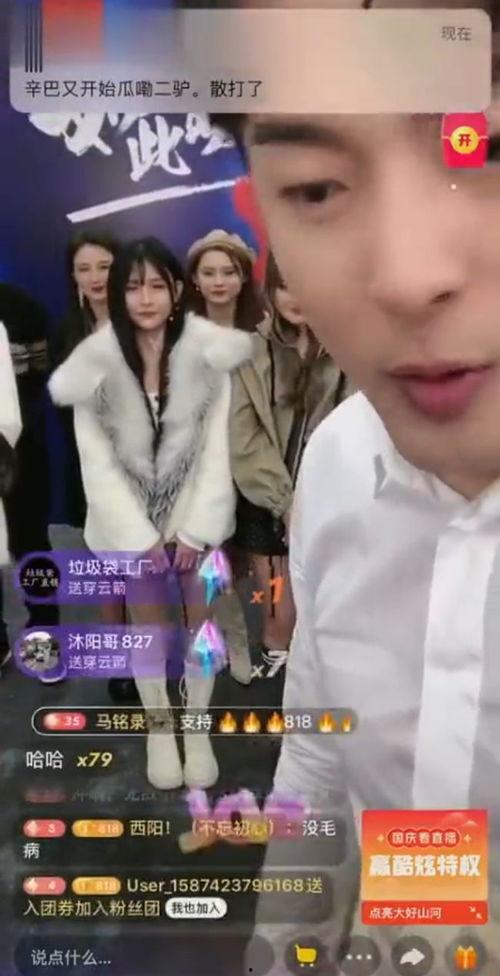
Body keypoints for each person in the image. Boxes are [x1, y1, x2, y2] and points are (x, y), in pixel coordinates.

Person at [206, 0, 500, 972]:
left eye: (489, 147)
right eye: (318, 187)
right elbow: (323, 762)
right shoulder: (337, 461)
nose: (407, 277)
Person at [49, 237, 253, 791]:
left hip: (195, 525)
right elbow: (97, 465)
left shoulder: (209, 358)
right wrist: (141, 541)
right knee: (148, 628)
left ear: (176, 290)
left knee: (201, 624)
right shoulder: (93, 365)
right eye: (133, 286)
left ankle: (196, 726)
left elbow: (217, 454)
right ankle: (160, 728)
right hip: (129, 530)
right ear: (118, 293)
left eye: (157, 285)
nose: (145, 298)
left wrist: (194, 532)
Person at [230, 251, 349, 663]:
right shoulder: (249, 351)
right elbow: (244, 439)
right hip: (268, 505)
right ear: (270, 290)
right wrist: (285, 504)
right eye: (285, 286)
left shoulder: (350, 347)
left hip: (332, 504)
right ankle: (276, 672)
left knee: (330, 611)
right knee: (280, 614)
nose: (295, 297)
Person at [50, 231, 134, 700]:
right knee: (106, 564)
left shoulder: (144, 319)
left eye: (104, 266)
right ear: (73, 277)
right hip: (92, 465)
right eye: (85, 269)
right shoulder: (67, 331)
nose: (96, 277)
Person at [185, 229, 267, 684]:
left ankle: (255, 636)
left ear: (243, 277)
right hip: (205, 467)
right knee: (211, 560)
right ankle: (231, 639)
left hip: (254, 464)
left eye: (228, 272)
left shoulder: (263, 333)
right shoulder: (181, 336)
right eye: (209, 272)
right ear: (195, 279)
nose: (219, 282)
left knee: (251, 565)